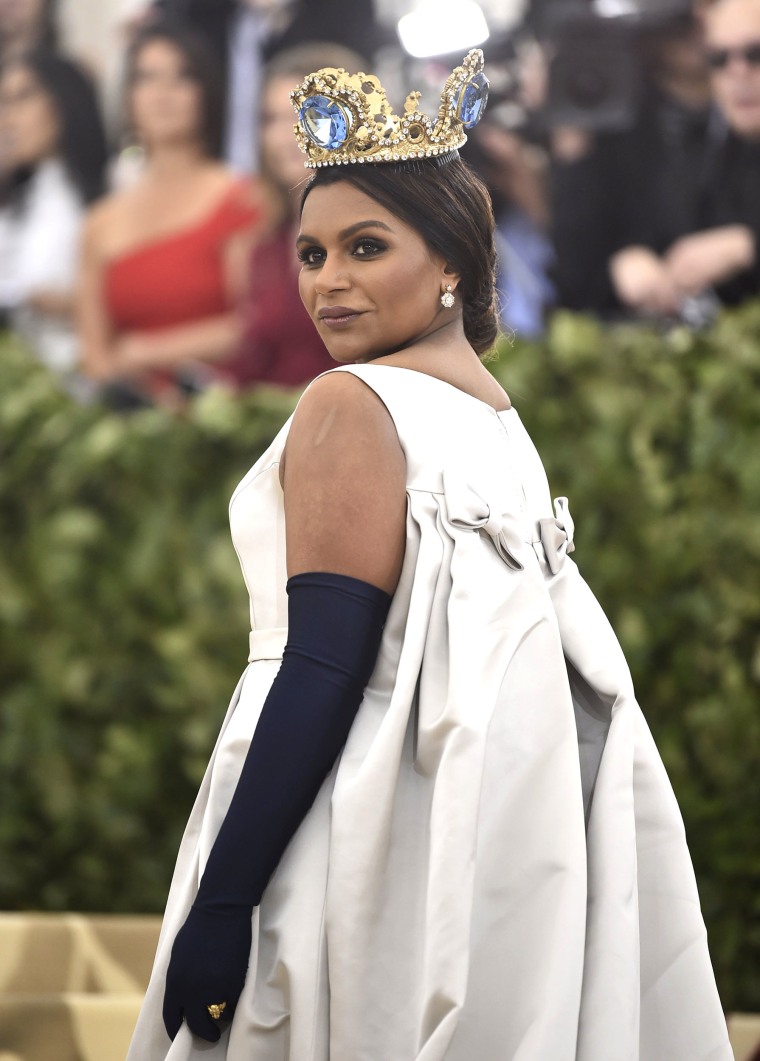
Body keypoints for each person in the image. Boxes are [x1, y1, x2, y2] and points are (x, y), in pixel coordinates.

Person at [127, 50, 733, 1060]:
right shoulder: (497, 418)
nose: (330, 282)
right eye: (312, 255)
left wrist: (226, 897)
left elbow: (323, 669)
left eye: (366, 246)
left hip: (340, 828)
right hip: (469, 842)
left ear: (451, 258)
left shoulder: (350, 402)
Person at [78, 21, 260, 408]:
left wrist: (146, 351)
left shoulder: (243, 198)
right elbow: (94, 356)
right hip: (130, 428)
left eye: (182, 77)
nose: (163, 94)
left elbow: (254, 325)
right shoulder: (100, 222)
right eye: (148, 78)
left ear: (205, 92)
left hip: (227, 411)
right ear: (128, 96)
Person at [219, 43, 360, 389]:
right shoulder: (262, 245)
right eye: (270, 119)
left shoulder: (376, 237)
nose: (284, 136)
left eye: (301, 117)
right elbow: (255, 361)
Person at [0, 49, 107, 395]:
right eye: (3, 102)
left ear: (63, 100)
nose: (8, 117)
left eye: (22, 98)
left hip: (87, 386)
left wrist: (68, 304)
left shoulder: (111, 188)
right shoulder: (20, 201)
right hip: (24, 387)